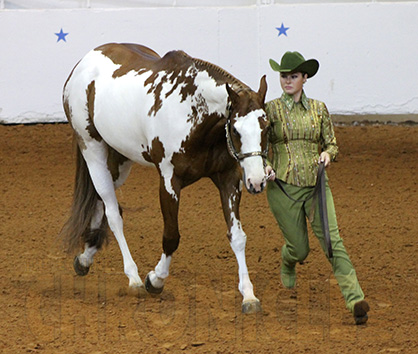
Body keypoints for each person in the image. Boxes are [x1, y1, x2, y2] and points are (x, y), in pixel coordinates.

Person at [264, 51, 370, 325]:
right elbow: (259, 148)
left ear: (305, 78)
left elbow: (332, 144)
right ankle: (289, 259)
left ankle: (355, 299)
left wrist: (328, 155)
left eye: (294, 76)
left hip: (316, 187)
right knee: (301, 250)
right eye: (284, 76)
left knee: (333, 243)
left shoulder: (319, 109)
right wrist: (265, 165)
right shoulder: (270, 110)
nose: (288, 81)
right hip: (283, 187)